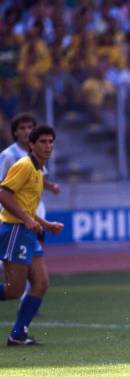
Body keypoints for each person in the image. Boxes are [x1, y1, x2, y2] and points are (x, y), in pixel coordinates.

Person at [0, 125, 63, 345]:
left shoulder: (38, 169)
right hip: (16, 230)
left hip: (28, 232)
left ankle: (18, 335)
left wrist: (45, 223)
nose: (48, 146)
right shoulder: (25, 166)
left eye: (50, 141)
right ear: (32, 145)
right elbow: (4, 194)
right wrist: (27, 220)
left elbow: (26, 204)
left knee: (41, 283)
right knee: (14, 290)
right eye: (43, 142)